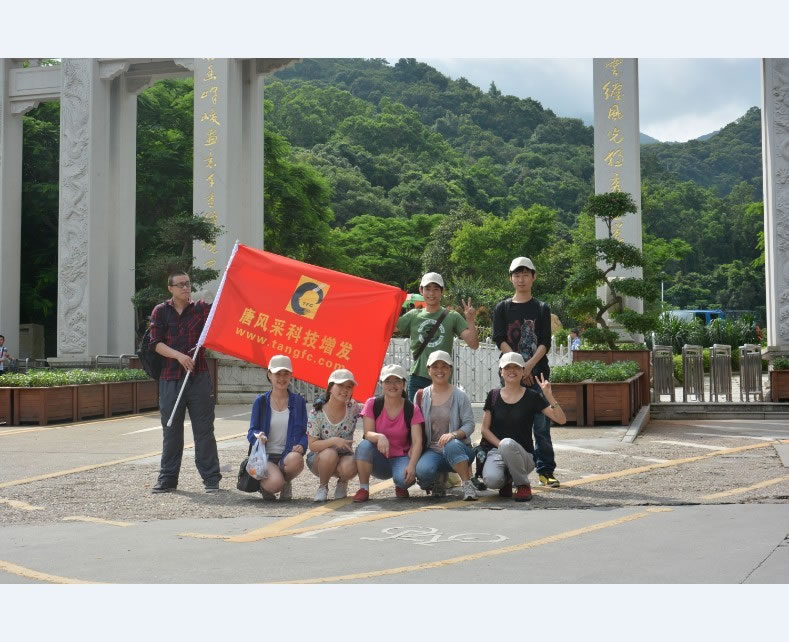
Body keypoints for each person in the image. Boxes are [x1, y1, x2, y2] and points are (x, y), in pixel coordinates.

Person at [149, 271, 221, 493]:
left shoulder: (201, 309)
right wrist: (179, 356)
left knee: (204, 429)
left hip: (198, 377)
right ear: (170, 288)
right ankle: (168, 478)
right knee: (171, 429)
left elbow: (221, 315)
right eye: (180, 284)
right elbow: (155, 343)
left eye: (188, 283)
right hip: (170, 378)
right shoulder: (161, 311)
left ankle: (211, 478)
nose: (185, 288)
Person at [492, 256, 560, 488]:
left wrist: (528, 366)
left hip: (538, 374)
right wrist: (519, 367)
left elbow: (544, 342)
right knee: (509, 424)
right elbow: (499, 339)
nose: (521, 279)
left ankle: (545, 471)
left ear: (533, 277)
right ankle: (509, 471)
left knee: (541, 425)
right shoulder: (502, 308)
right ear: (510, 278)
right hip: (510, 375)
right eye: (517, 275)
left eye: (525, 275)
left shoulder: (541, 308)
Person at [480, 352, 567, 501]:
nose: (512, 371)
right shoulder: (493, 395)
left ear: (523, 372)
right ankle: (507, 480)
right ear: (501, 371)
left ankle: (523, 485)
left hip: (524, 457)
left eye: (516, 367)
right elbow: (484, 429)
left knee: (508, 444)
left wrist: (549, 395)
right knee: (491, 481)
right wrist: (502, 446)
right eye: (507, 367)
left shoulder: (532, 396)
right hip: (497, 452)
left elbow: (561, 420)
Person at [396, 272, 479, 401]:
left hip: (442, 377)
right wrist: (392, 303)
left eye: (436, 289)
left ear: (442, 291)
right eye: (427, 289)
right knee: (416, 414)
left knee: (442, 414)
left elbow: (473, 344)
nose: (431, 293)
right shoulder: (413, 315)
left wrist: (470, 320)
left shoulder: (452, 316)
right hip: (418, 377)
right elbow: (388, 328)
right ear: (421, 290)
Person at [352, 364, 425, 502]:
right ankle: (363, 488)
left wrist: (412, 466)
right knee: (364, 446)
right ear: (381, 383)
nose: (393, 385)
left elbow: (417, 441)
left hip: (401, 457)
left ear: (404, 384)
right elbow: (367, 433)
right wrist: (380, 436)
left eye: (397, 381)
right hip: (379, 458)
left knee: (404, 480)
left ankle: (400, 484)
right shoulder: (373, 403)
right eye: (388, 381)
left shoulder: (411, 408)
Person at [414, 350, 478, 501]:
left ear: (450, 369)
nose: (440, 370)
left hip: (459, 449)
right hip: (433, 450)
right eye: (435, 366)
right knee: (423, 473)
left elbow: (470, 424)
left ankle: (467, 483)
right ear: (428, 370)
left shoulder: (460, 395)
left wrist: (453, 434)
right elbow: (415, 425)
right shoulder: (421, 395)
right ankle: (439, 478)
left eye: (444, 366)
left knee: (451, 444)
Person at [246, 355, 308, 501]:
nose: (282, 378)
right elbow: (251, 431)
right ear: (269, 375)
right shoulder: (261, 401)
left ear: (291, 375)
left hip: (287, 455)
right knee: (275, 484)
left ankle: (286, 482)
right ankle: (268, 484)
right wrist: (258, 436)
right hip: (265, 456)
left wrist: (302, 445)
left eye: (286, 373)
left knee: (296, 460)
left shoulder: (298, 401)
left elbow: (306, 432)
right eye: (277, 374)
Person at [306, 369, 361, 502]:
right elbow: (312, 445)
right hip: (320, 459)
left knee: (354, 462)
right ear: (330, 387)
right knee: (329, 454)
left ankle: (343, 482)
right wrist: (334, 441)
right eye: (340, 385)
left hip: (345, 457)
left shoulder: (353, 407)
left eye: (349, 386)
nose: (345, 390)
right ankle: (323, 486)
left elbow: (372, 409)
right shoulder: (316, 413)